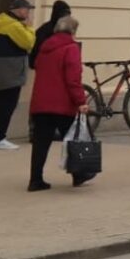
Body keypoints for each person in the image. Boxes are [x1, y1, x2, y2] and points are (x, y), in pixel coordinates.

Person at [27, 16, 91, 190]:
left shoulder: (44, 48)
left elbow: (38, 66)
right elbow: (73, 79)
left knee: (40, 143)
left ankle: (35, 180)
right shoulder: (71, 48)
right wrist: (81, 101)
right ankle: (79, 174)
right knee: (72, 140)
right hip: (62, 104)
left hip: (41, 103)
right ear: (73, 31)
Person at [0, 0, 35, 150]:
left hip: (1, 69)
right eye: (27, 9)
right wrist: (29, 28)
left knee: (3, 103)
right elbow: (28, 43)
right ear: (19, 10)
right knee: (7, 104)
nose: (28, 12)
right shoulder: (13, 25)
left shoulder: (0, 21)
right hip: (11, 70)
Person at [28, 0, 71, 70]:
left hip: (55, 66)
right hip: (47, 65)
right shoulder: (46, 29)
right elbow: (37, 48)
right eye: (65, 14)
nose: (66, 18)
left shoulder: (65, 29)